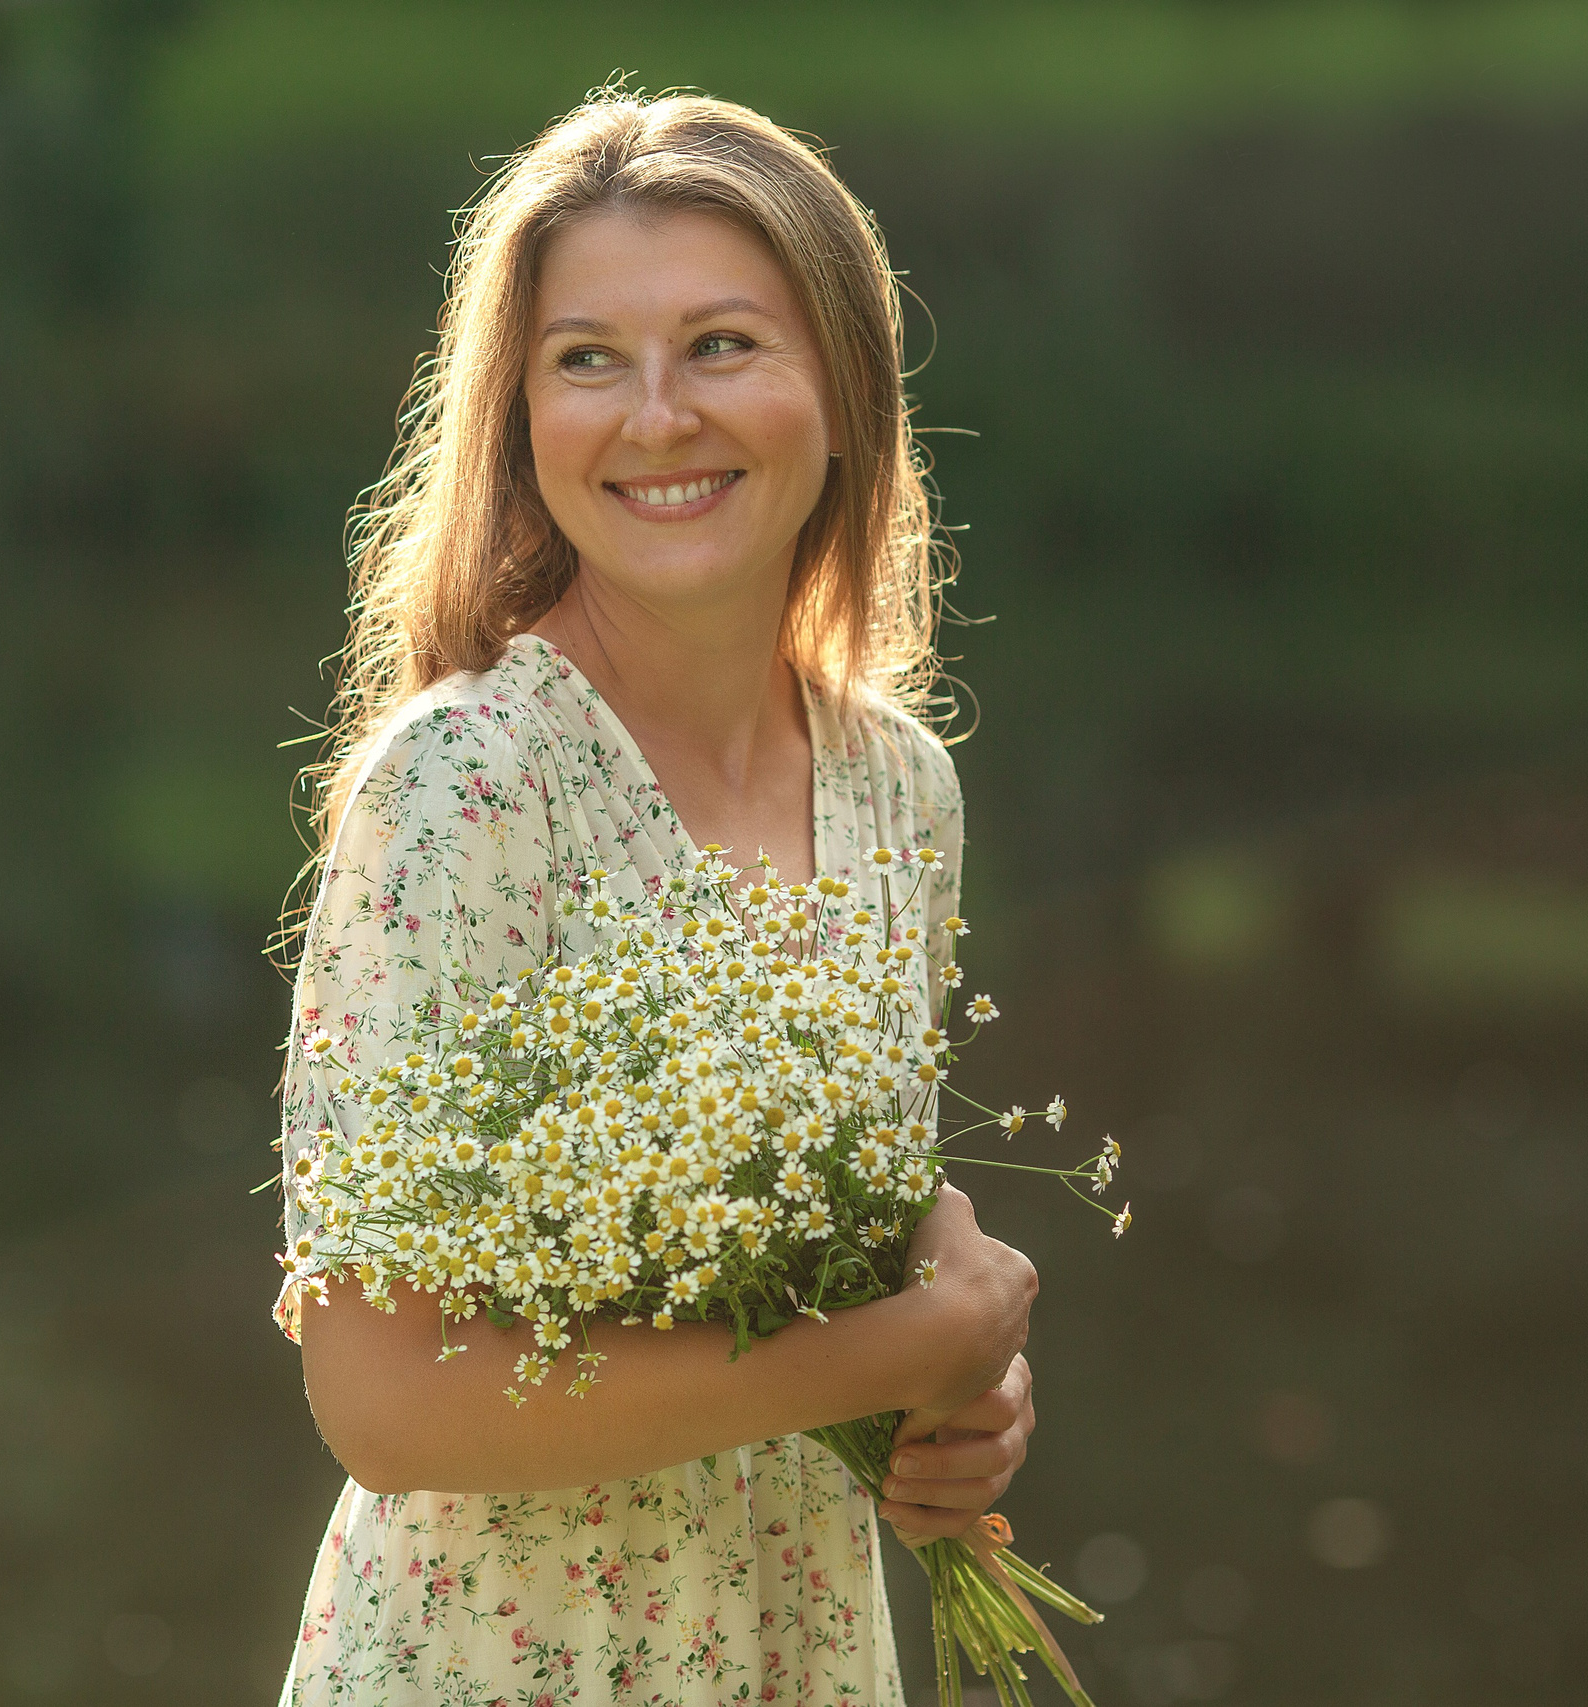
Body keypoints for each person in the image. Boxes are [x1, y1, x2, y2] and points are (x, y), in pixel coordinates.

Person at [272, 90, 1040, 1705]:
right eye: (587, 360)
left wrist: (953, 1412)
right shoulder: (464, 788)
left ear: (844, 391)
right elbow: (382, 1399)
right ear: (519, 418)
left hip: (790, 1650)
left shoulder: (901, 787)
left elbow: (830, 1264)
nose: (656, 416)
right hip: (499, 1665)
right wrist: (890, 1353)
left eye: (722, 345)